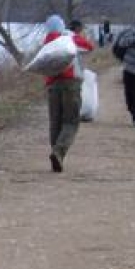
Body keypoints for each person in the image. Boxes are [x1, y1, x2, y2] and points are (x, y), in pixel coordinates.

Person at [42, 15, 94, 173]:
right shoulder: (69, 38)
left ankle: (55, 153)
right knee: (71, 121)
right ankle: (59, 152)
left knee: (55, 122)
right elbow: (89, 47)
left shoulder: (46, 41)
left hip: (52, 85)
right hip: (71, 82)